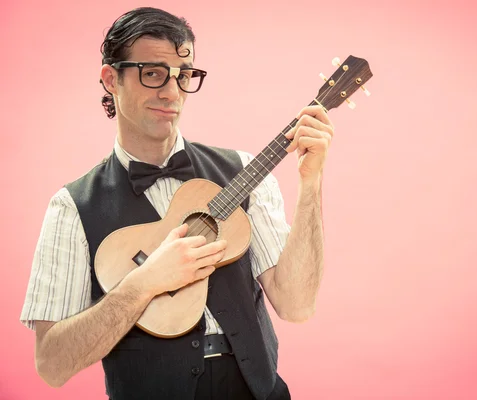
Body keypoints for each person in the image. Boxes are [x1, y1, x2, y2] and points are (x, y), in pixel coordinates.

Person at [20, 7, 333, 400]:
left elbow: (297, 306)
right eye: (152, 73)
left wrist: (311, 182)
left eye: (183, 76)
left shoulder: (246, 173)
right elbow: (51, 365)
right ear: (110, 79)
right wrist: (143, 284)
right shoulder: (71, 207)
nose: (171, 91)